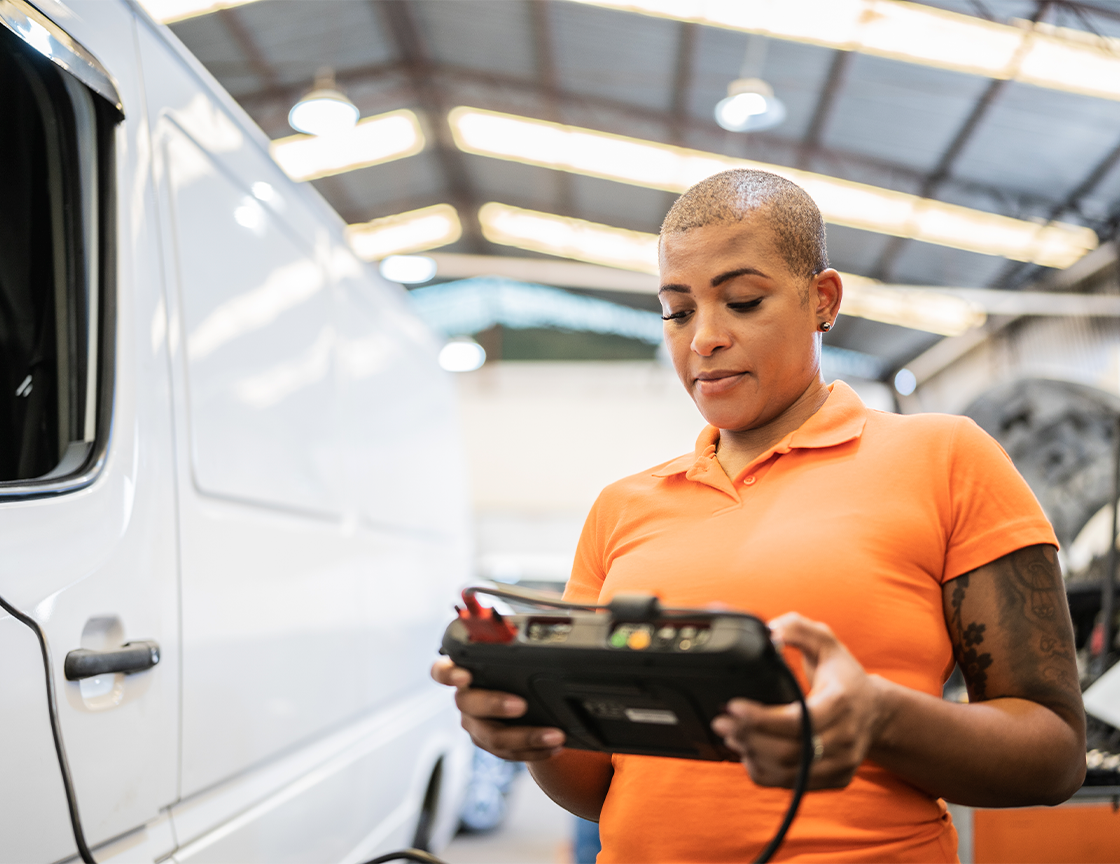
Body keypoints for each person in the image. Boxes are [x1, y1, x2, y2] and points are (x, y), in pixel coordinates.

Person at [432, 169, 1086, 862]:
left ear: (822, 300)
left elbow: (1053, 754)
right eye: (677, 311)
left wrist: (881, 719)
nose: (703, 339)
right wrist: (532, 728)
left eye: (742, 301)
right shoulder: (622, 508)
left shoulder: (946, 459)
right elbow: (601, 786)